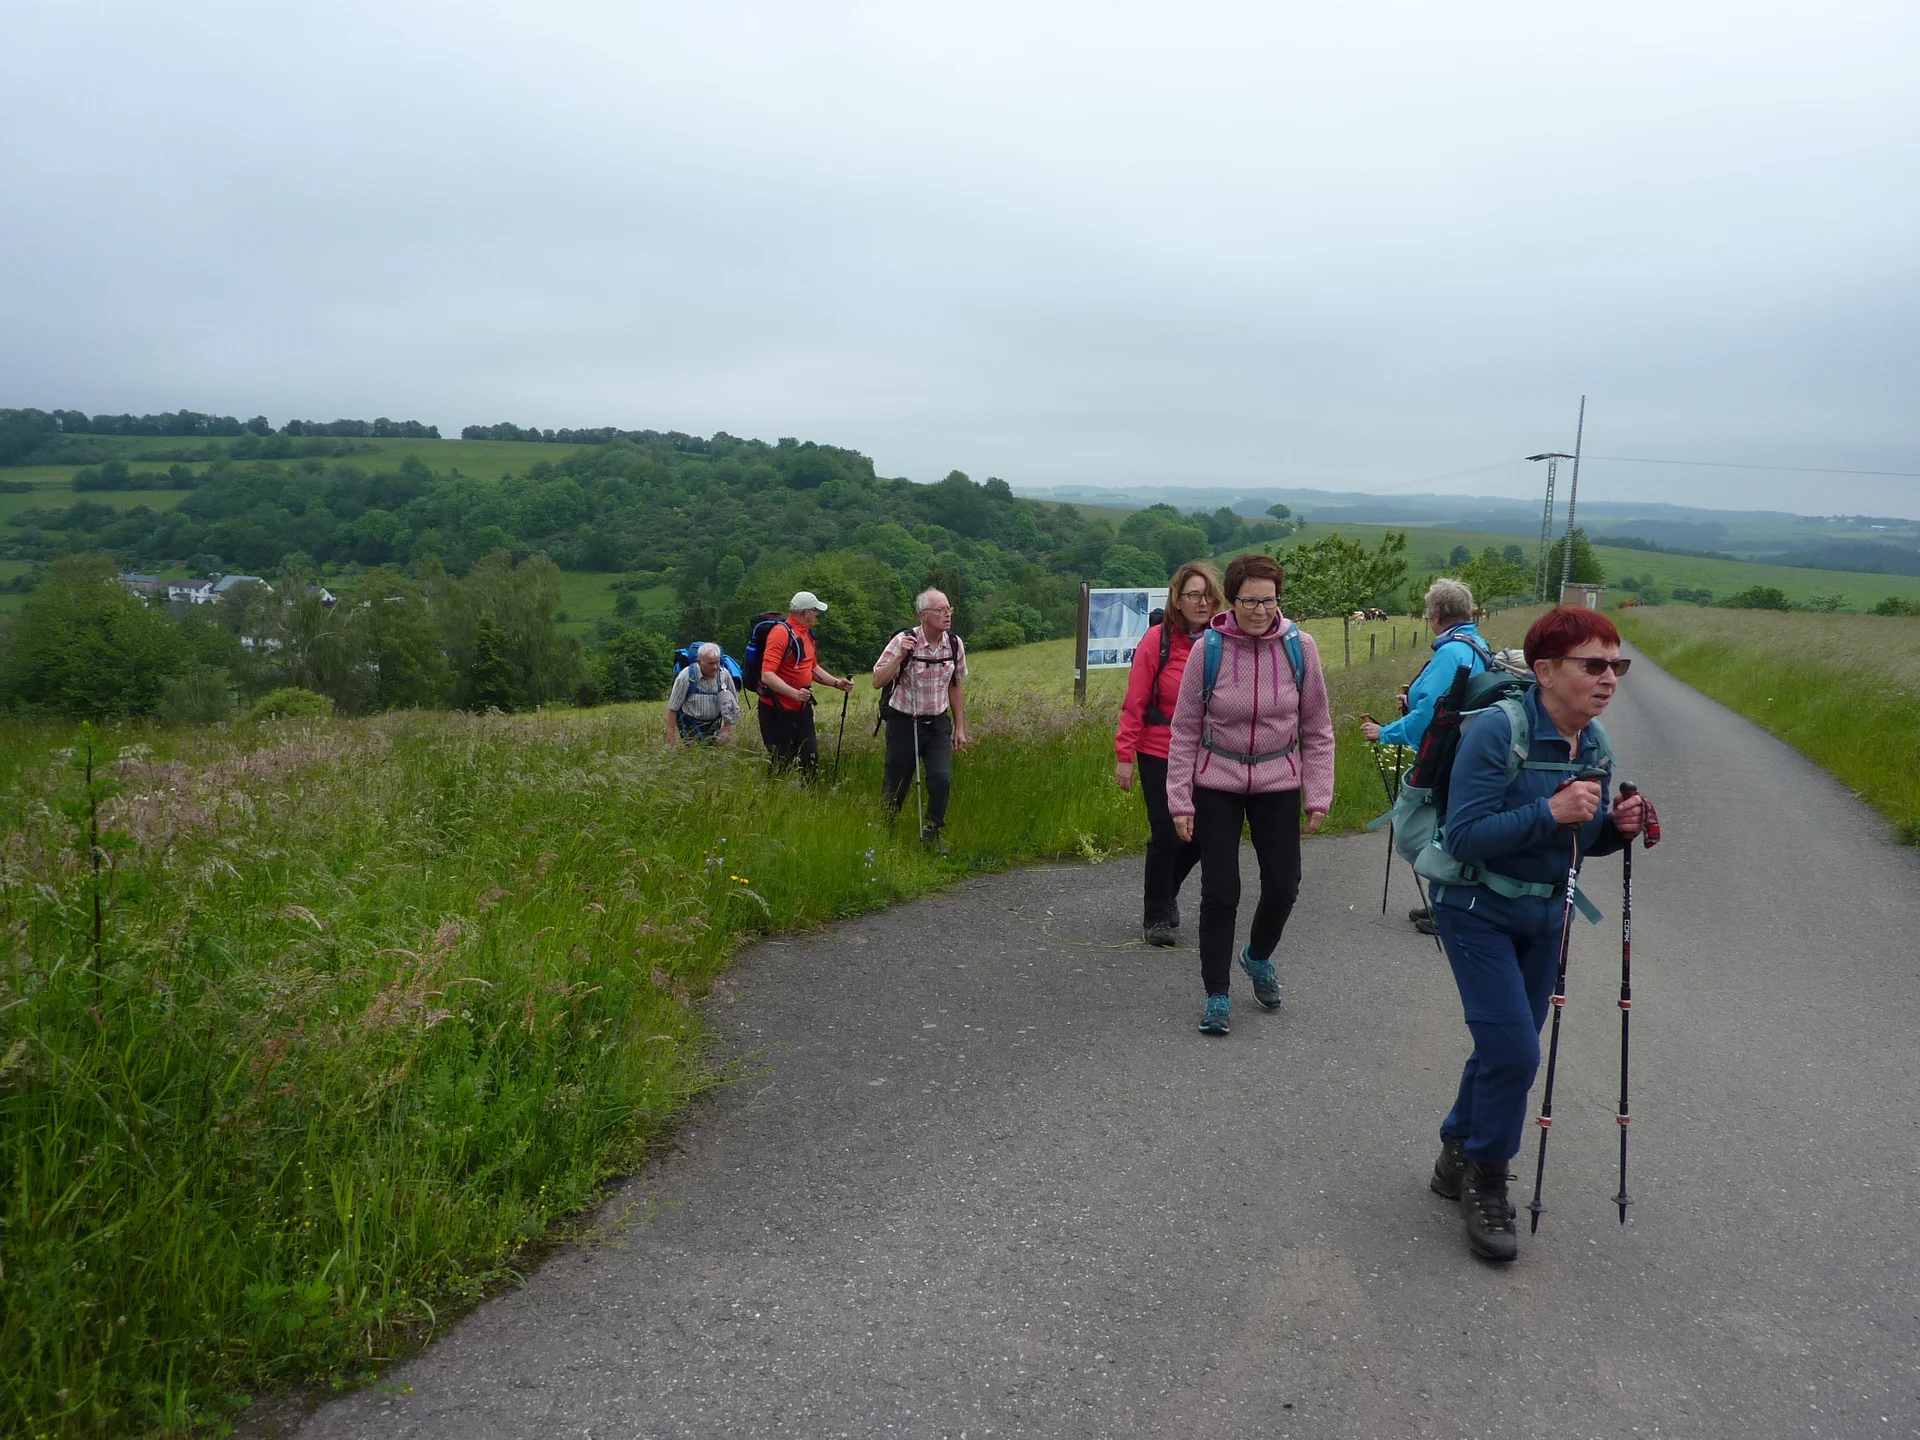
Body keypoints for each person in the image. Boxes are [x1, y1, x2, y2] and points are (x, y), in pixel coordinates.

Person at [1424, 605, 1648, 1263]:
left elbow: (1582, 838)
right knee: (1517, 1053)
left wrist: (1618, 828)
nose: (1609, 678)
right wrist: (1549, 810)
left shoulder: (1594, 744)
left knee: (1504, 1047)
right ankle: (1487, 1178)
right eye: (1593, 664)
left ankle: (1455, 1153)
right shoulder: (1498, 730)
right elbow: (1464, 836)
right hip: (1476, 907)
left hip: (1548, 916)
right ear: (1545, 671)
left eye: (1616, 664)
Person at [1165, 553, 1336, 1036]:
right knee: (1221, 892)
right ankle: (1216, 994)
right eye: (1250, 601)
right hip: (1216, 781)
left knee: (1283, 886)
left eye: (1269, 601)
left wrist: (1318, 794)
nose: (1260, 611)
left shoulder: (1300, 648)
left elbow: (1317, 729)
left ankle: (1257, 956)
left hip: (1278, 781)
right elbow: (1184, 729)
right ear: (1233, 600)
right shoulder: (1209, 649)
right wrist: (1180, 799)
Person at [1362, 578, 1493, 934]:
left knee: (1423, 831)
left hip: (1446, 755)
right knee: (1446, 828)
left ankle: (1452, 907)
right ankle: (1445, 902)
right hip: (1467, 751)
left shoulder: (1451, 652)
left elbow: (1429, 716)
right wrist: (1411, 702)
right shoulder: (1477, 645)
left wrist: (1384, 732)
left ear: (1435, 615)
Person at [1114, 560, 1225, 947]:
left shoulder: (1221, 641)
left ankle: (1168, 891)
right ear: (1177, 599)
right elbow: (1135, 701)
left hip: (1208, 753)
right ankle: (1156, 916)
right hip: (1159, 749)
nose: (1201, 602)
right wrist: (1124, 754)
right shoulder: (1157, 641)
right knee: (1167, 833)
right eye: (1193, 595)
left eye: (1207, 595)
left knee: (1202, 835)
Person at [871, 588, 970, 846]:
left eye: (949, 609)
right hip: (904, 721)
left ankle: (933, 831)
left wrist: (959, 727)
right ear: (924, 615)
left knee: (941, 777)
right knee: (897, 782)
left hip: (938, 721)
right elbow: (877, 680)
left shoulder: (954, 644)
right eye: (941, 610)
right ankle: (885, 832)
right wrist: (901, 655)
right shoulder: (904, 640)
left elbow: (955, 686)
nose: (947, 615)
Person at [756, 590, 856, 775]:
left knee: (810, 762)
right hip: (777, 710)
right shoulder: (780, 633)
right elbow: (767, 675)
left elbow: (812, 667)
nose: (817, 614)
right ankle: (776, 793)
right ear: (806, 613)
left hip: (802, 709)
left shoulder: (807, 635)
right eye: (815, 611)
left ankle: (809, 792)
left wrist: (837, 683)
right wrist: (795, 694)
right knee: (781, 765)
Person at [665, 643, 741, 745]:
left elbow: (734, 704)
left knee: (713, 753)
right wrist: (671, 741)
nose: (715, 667)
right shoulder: (686, 677)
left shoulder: (724, 675)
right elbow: (672, 709)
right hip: (689, 725)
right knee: (693, 753)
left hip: (714, 725)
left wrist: (726, 729)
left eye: (717, 662)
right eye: (710, 663)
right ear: (699, 662)